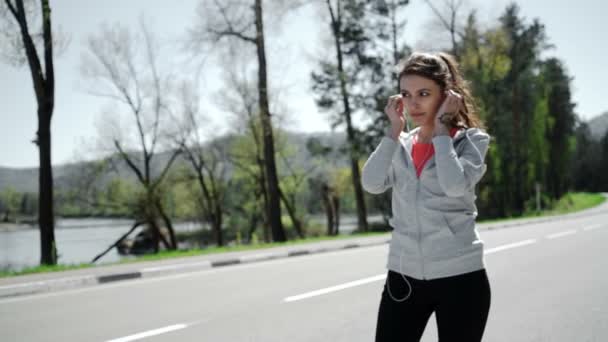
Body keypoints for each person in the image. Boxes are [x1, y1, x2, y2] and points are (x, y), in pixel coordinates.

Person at [361, 51, 492, 341]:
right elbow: (372, 183)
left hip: (460, 280)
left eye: (424, 93)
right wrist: (394, 132)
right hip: (403, 279)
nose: (414, 103)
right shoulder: (401, 144)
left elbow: (454, 185)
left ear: (446, 96)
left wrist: (443, 132)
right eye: (406, 94)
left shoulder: (471, 141)